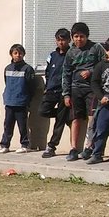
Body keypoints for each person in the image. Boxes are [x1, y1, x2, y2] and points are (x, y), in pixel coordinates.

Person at [60, 22, 105, 161]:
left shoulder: (96, 48)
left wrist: (91, 71)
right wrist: (66, 94)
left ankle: (88, 147)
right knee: (76, 118)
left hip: (92, 89)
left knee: (92, 118)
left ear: (87, 36)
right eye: (76, 36)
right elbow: (66, 73)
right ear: (72, 38)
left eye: (82, 36)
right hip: (75, 88)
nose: (79, 39)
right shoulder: (71, 52)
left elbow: (104, 64)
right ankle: (73, 148)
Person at [39, 28, 72, 158]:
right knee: (42, 111)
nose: (61, 42)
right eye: (58, 40)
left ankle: (51, 147)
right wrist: (47, 86)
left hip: (64, 92)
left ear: (68, 40)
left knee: (59, 123)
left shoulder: (72, 54)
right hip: (51, 90)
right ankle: (62, 115)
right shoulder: (52, 55)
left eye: (63, 39)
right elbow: (47, 71)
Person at [0, 43, 35, 153]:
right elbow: (7, 83)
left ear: (23, 54)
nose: (18, 55)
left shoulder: (28, 69)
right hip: (9, 101)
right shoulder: (7, 68)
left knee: (22, 125)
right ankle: (5, 145)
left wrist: (27, 99)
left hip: (21, 102)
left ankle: (24, 145)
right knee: (8, 125)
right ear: (11, 55)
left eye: (20, 53)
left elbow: (31, 86)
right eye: (15, 53)